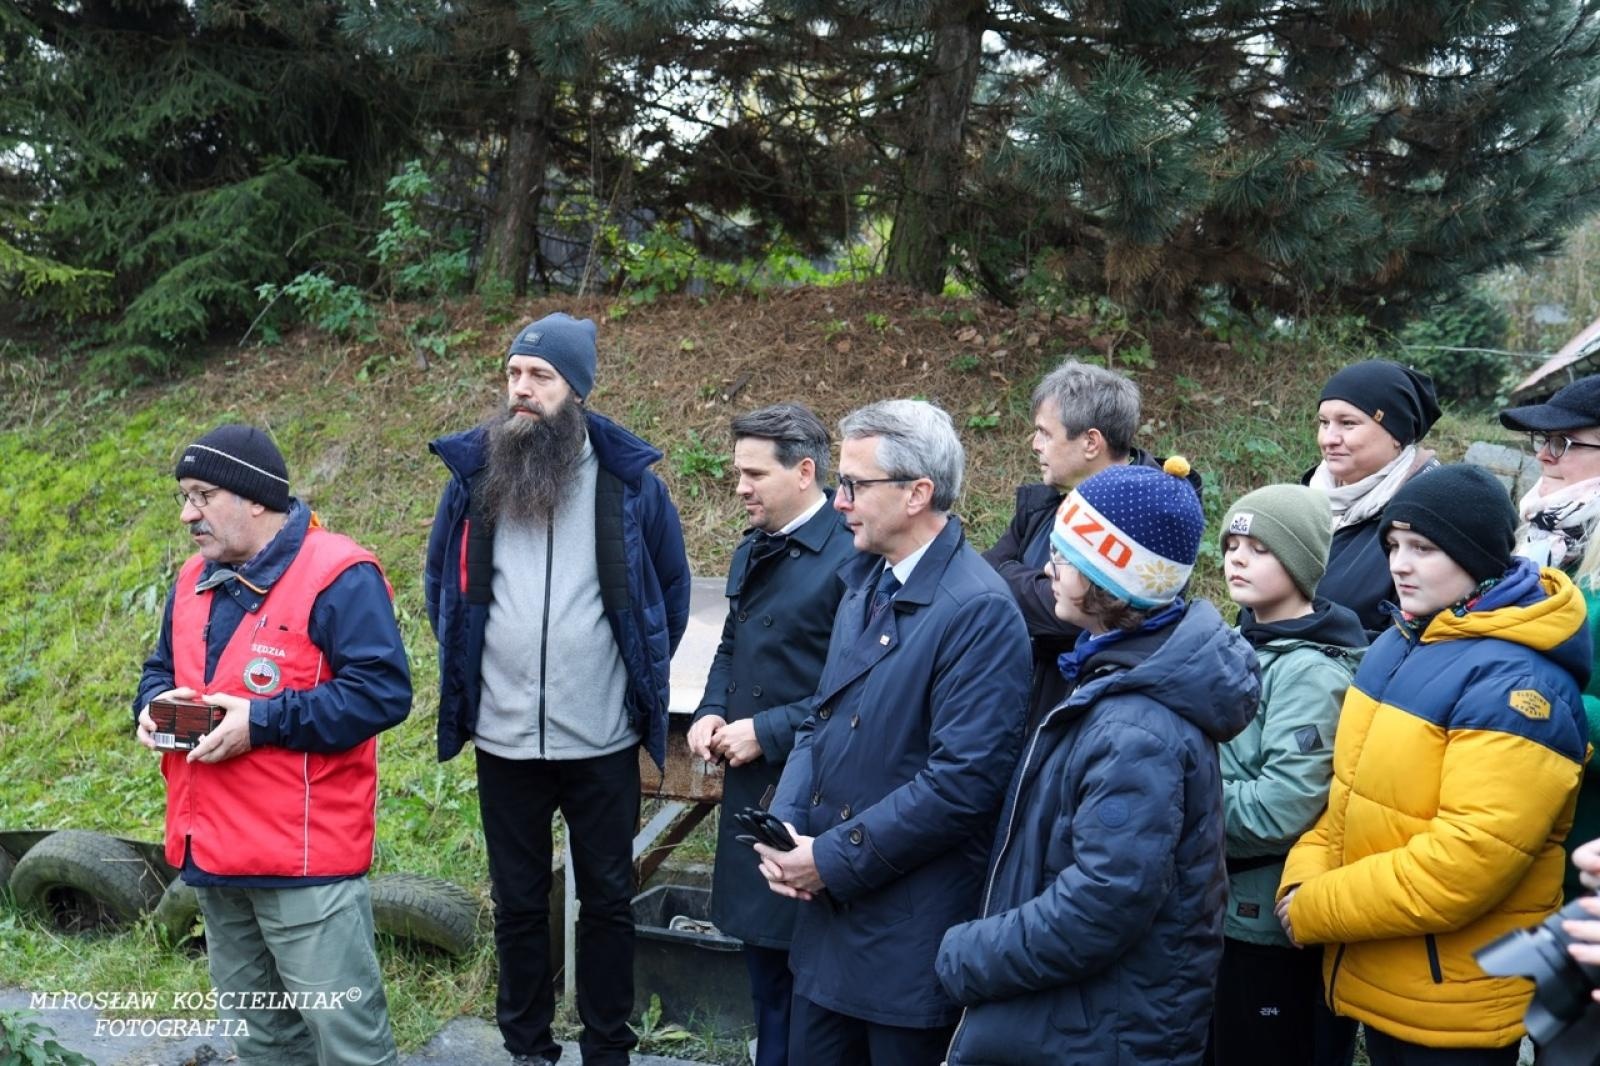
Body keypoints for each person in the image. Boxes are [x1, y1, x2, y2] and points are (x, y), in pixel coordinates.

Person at [424, 312, 691, 1066]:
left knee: (607, 902)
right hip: (505, 740)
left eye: (539, 376)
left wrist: (626, 677)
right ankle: (528, 1049)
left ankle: (608, 1048)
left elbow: (665, 596)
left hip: (600, 738)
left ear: (576, 389)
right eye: (513, 374)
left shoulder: (631, 485)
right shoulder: (476, 478)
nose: (521, 389)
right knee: (516, 906)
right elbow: (444, 585)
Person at [936, 458, 1258, 1065]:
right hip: (1077, 1018)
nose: (1048, 571)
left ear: (1111, 578)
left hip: (1095, 1031)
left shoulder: (1136, 727)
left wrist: (969, 953)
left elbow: (1103, 901)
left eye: (1064, 557)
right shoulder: (1113, 682)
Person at [1277, 464, 1589, 1066]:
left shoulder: (1520, 687)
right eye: (1393, 545)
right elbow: (1344, 799)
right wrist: (1303, 875)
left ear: (1474, 556)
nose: (1400, 563)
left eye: (1424, 547)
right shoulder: (1400, 641)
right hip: (1382, 975)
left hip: (1453, 1006)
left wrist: (1316, 906)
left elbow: (1464, 865)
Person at [755, 399, 1031, 1066]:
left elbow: (960, 785)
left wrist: (830, 858)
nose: (838, 500)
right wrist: (786, 829)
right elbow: (822, 719)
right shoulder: (866, 582)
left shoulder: (980, 611)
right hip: (830, 929)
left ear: (917, 493)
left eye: (853, 485)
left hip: (908, 940)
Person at [134, 424, 411, 1066]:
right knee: (263, 1041)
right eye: (184, 495)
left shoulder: (339, 572)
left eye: (202, 495)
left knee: (349, 1046)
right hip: (213, 856)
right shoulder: (192, 578)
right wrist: (152, 708)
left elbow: (383, 694)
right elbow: (159, 670)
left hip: (302, 865)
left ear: (255, 497)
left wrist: (261, 722)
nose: (187, 514)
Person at [687, 404, 857, 1066]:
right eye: (738, 473)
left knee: (804, 998)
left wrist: (769, 730)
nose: (740, 487)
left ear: (805, 471)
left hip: (815, 803)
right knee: (766, 986)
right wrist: (710, 709)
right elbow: (733, 642)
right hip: (753, 797)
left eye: (754, 473)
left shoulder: (850, 558)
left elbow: (861, 688)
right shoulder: (756, 545)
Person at [1209, 485, 1367, 1066]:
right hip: (1218, 909)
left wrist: (1180, 799)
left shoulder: (1307, 671)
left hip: (1262, 926)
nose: (1237, 559)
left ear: (1300, 563)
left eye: (1260, 548)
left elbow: (1284, 806)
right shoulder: (1239, 642)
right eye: (1232, 544)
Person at [983, 359, 1201, 726]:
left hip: (1088, 713)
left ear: (1090, 442)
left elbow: (1082, 613)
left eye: (1045, 433)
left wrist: (1009, 573)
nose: (1034, 445)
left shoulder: (1153, 519)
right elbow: (982, 579)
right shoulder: (1044, 501)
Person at [1501, 374, 1600, 901]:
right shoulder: (1531, 541)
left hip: (1583, 854)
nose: (1545, 457)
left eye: (1564, 443)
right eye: (1543, 441)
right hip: (1508, 830)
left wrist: (1545, 703)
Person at [1308, 359, 1441, 635]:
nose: (1328, 439)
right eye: (1324, 422)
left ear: (1397, 434)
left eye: (1347, 423)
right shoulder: (1300, 500)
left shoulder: (1429, 518)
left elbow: (1415, 639)